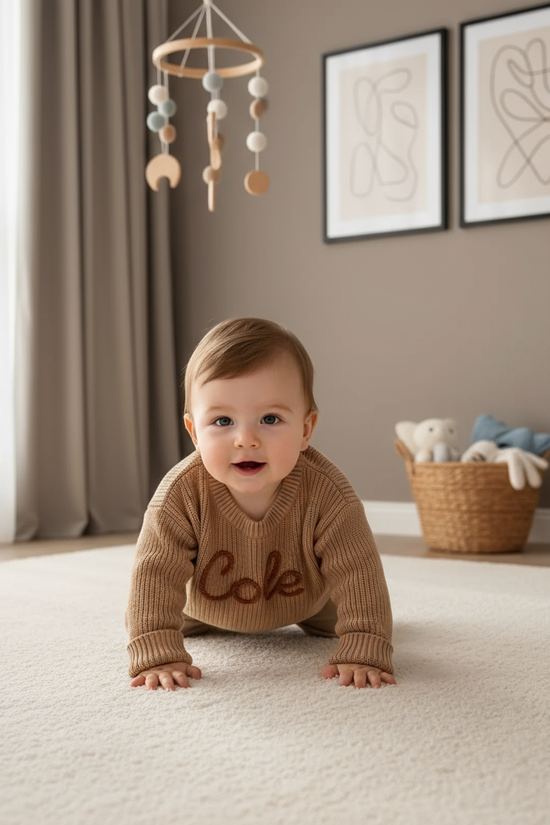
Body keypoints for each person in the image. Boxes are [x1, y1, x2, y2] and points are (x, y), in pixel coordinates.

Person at [125, 317, 396, 691]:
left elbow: (358, 572)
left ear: (305, 429)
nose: (245, 439)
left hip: (309, 604)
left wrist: (365, 645)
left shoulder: (328, 493)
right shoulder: (180, 495)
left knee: (356, 611)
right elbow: (154, 575)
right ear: (194, 433)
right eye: (222, 420)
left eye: (270, 418)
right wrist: (157, 651)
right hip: (199, 609)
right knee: (158, 611)